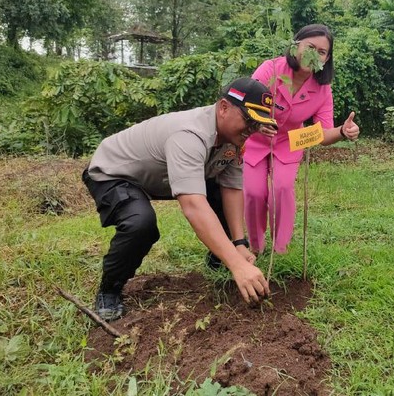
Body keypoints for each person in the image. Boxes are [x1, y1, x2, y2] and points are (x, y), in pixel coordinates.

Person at [82, 77, 276, 321]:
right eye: (249, 120)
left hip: (158, 177)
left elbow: (231, 189)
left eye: (257, 124)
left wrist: (239, 244)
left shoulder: (233, 140)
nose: (252, 129)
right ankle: (109, 290)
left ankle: (220, 258)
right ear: (224, 108)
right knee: (140, 223)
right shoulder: (189, 134)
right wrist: (239, 266)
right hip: (113, 172)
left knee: (217, 196)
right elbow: (194, 206)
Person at [243, 24, 360, 254]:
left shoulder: (323, 90)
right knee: (254, 192)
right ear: (296, 46)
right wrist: (257, 123)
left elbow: (323, 133)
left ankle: (280, 249)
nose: (313, 55)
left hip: (289, 142)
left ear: (326, 59)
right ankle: (256, 246)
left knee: (283, 188)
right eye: (310, 47)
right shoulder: (271, 70)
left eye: (321, 52)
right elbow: (244, 104)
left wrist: (343, 132)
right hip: (256, 139)